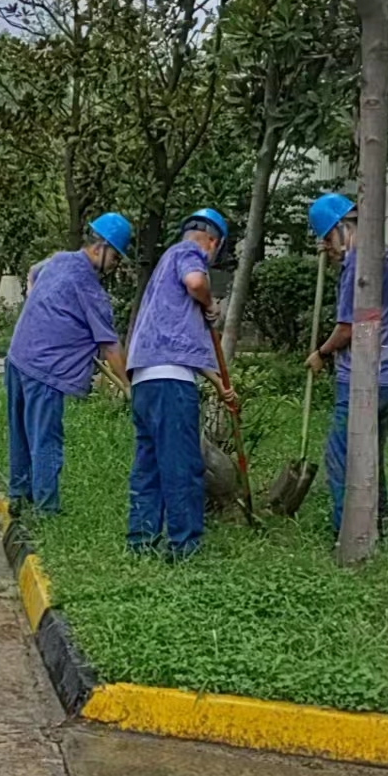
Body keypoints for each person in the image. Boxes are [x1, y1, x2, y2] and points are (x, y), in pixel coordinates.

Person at [124, 208, 238, 560]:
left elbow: (178, 344)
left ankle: (140, 543)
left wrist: (219, 385)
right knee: (182, 467)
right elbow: (196, 283)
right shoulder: (188, 252)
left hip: (146, 381)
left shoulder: (162, 273)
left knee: (149, 467)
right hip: (171, 386)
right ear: (213, 242)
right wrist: (209, 302)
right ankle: (184, 547)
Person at [4, 212, 133, 514]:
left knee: (20, 433)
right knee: (45, 440)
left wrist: (41, 309)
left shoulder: (60, 260)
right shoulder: (91, 290)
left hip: (18, 356)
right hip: (45, 372)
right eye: (115, 256)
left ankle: (18, 496)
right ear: (100, 247)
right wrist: (129, 385)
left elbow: (33, 273)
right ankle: (46, 510)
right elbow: (110, 345)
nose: (116, 264)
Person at [304, 193, 388, 531]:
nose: (328, 249)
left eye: (327, 239)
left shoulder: (357, 265)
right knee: (371, 458)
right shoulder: (387, 256)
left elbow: (348, 328)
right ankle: (378, 525)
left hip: (361, 377)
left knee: (341, 458)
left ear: (340, 228)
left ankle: (347, 532)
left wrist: (321, 353)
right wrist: (336, 255)